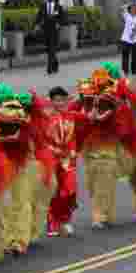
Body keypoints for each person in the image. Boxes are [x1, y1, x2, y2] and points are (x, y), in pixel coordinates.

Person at [46, 86, 78, 237]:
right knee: (54, 191)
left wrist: (72, 151)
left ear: (65, 101)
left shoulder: (71, 116)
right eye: (56, 100)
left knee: (69, 191)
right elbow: (42, 141)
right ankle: (53, 222)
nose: (59, 103)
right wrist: (53, 150)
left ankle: (65, 220)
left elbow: (86, 123)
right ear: (51, 102)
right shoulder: (47, 119)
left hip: (68, 160)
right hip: (52, 160)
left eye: (61, 100)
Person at [38, 0, 64, 75]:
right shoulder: (43, 6)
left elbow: (63, 18)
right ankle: (55, 64)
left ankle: (49, 68)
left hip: (54, 30)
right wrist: (37, 24)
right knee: (49, 50)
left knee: (52, 49)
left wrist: (59, 23)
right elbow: (39, 16)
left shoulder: (58, 6)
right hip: (46, 30)